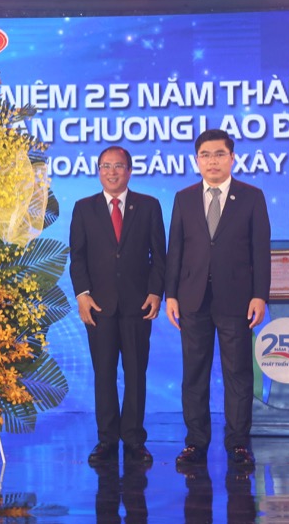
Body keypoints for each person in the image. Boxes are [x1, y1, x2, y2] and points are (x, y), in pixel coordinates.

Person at [165, 128, 270, 471]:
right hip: (192, 299)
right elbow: (175, 250)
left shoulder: (251, 197)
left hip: (236, 299)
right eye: (205, 155)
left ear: (232, 158)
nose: (212, 161)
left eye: (219, 154)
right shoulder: (183, 198)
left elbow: (260, 251)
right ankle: (195, 442)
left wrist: (260, 295)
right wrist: (171, 295)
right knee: (194, 374)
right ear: (197, 160)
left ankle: (238, 443)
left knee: (238, 374)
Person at [69, 146, 166, 466]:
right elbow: (78, 257)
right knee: (104, 374)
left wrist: (155, 292)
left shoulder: (149, 206)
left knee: (136, 373)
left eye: (118, 166)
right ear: (98, 171)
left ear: (129, 171)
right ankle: (107, 439)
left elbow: (159, 256)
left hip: (139, 305)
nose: (112, 172)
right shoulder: (84, 208)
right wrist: (82, 295)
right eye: (106, 166)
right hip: (99, 306)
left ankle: (135, 439)